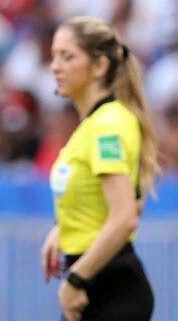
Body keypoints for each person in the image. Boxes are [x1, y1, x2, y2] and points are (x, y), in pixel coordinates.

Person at [40, 16, 160, 321]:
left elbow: (124, 217)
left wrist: (76, 281)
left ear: (99, 66)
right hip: (97, 284)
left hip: (109, 287)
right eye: (54, 56)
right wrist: (62, 229)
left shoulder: (107, 126)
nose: (55, 66)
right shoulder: (94, 124)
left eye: (67, 57)